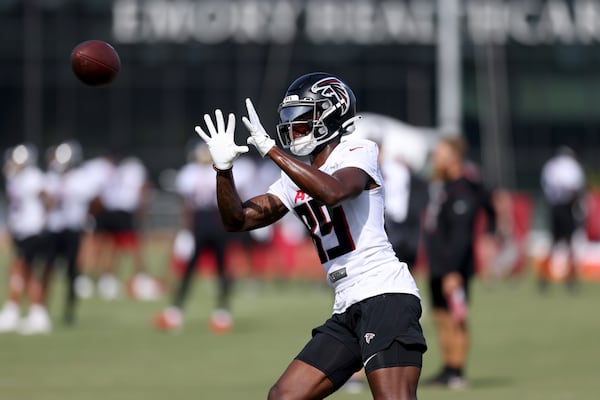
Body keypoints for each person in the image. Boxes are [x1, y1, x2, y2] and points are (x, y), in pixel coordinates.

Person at [195, 72, 427, 399]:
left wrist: (272, 151)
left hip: (384, 294)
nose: (293, 128)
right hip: (347, 303)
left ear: (332, 114)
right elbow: (238, 220)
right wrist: (223, 170)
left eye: (303, 119)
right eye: (290, 120)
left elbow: (333, 191)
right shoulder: (294, 179)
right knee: (284, 396)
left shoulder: (358, 149)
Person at [422, 136, 495, 389]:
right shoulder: (444, 187)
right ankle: (448, 367)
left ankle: (458, 370)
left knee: (456, 316)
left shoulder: (463, 189)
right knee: (441, 315)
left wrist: (453, 271)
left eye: (440, 153)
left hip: (455, 267)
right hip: (439, 265)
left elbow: (462, 235)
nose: (435, 158)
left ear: (454, 157)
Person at [153, 141, 234, 333]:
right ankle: (176, 310)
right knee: (190, 269)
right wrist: (186, 228)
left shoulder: (220, 170)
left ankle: (222, 312)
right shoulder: (190, 173)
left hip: (217, 220)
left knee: (222, 267)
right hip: (200, 222)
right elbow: (186, 205)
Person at [42, 140, 96, 325]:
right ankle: (40, 309)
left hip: (72, 229)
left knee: (72, 271)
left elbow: (88, 200)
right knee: (46, 268)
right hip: (55, 228)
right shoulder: (52, 177)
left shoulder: (81, 178)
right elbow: (47, 201)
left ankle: (69, 311)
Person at [0, 144, 50, 334]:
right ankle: (28, 312)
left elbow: (47, 199)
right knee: (21, 271)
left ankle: (31, 313)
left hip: (32, 231)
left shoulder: (33, 177)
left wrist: (41, 220)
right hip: (21, 231)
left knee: (21, 269)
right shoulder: (16, 178)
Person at [539, 146, 586, 292]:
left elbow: (546, 186)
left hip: (555, 207)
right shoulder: (573, 167)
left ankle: (544, 277)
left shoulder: (551, 166)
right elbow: (576, 187)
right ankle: (570, 278)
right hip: (567, 207)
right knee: (569, 242)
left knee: (553, 242)